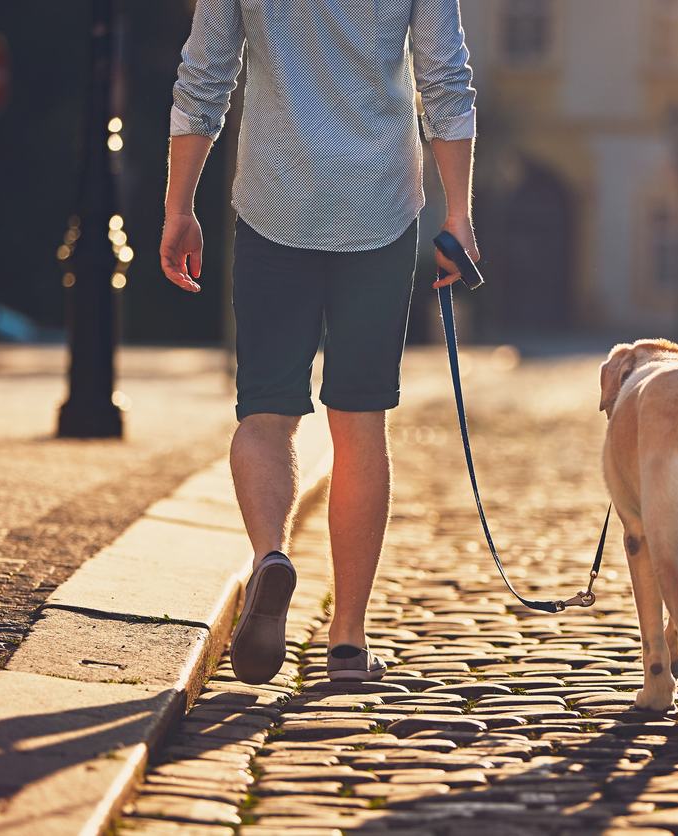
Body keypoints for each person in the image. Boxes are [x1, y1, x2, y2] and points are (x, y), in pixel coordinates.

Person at [160, 0, 478, 684]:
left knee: (265, 412)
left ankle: (271, 554)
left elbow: (204, 76)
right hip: (381, 207)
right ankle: (347, 639)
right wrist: (458, 215)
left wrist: (179, 207)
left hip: (276, 201)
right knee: (359, 421)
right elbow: (444, 80)